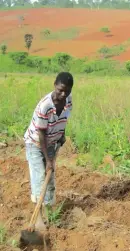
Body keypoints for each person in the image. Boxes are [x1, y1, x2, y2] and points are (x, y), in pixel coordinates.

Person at [24, 72, 74, 230]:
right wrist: (48, 160)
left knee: (50, 180)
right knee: (39, 178)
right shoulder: (44, 106)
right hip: (36, 143)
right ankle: (38, 219)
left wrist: (62, 135)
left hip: (52, 142)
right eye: (60, 90)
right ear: (54, 85)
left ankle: (49, 216)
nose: (63, 94)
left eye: (67, 90)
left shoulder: (68, 101)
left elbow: (63, 119)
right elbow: (41, 134)